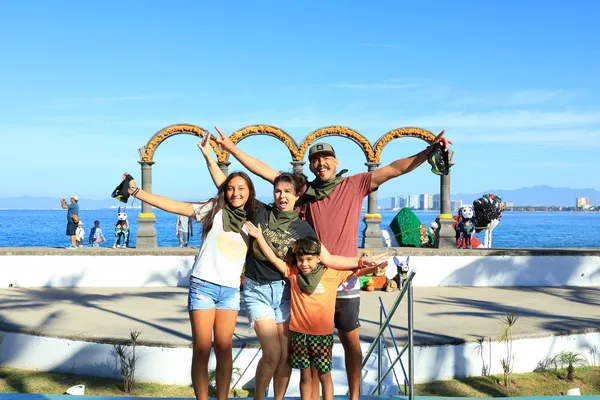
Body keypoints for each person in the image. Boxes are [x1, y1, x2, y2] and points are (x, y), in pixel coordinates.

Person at [213, 126, 451, 399]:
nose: (321, 163)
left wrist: (428, 151)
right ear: (311, 165)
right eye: (315, 159)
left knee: (350, 340)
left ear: (336, 162)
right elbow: (265, 172)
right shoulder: (305, 192)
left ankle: (353, 396)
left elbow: (395, 169)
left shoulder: (355, 184)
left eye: (326, 158)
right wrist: (231, 148)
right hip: (310, 280)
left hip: (345, 275)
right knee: (309, 356)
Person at [198, 132, 387, 400]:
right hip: (259, 289)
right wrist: (215, 154)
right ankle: (260, 397)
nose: (282, 195)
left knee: (290, 356)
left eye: (288, 191)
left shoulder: (303, 228)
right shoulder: (261, 211)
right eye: (278, 190)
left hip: (285, 292)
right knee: (275, 353)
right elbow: (232, 190)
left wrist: (361, 261)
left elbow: (328, 258)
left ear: (298, 195)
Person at [122, 169, 258, 400]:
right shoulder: (214, 209)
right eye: (231, 188)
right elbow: (174, 206)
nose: (236, 193)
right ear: (225, 190)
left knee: (225, 350)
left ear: (250, 192)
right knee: (202, 350)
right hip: (203, 286)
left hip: (230, 291)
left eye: (241, 188)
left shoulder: (254, 218)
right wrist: (137, 191)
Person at [244, 224, 386, 400]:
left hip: (322, 336)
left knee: (324, 376)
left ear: (319, 258)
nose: (304, 264)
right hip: (300, 336)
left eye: (309, 259)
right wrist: (259, 237)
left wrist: (375, 266)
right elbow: (273, 259)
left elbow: (358, 271)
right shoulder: (293, 273)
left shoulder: (332, 274)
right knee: (305, 377)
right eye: (300, 259)